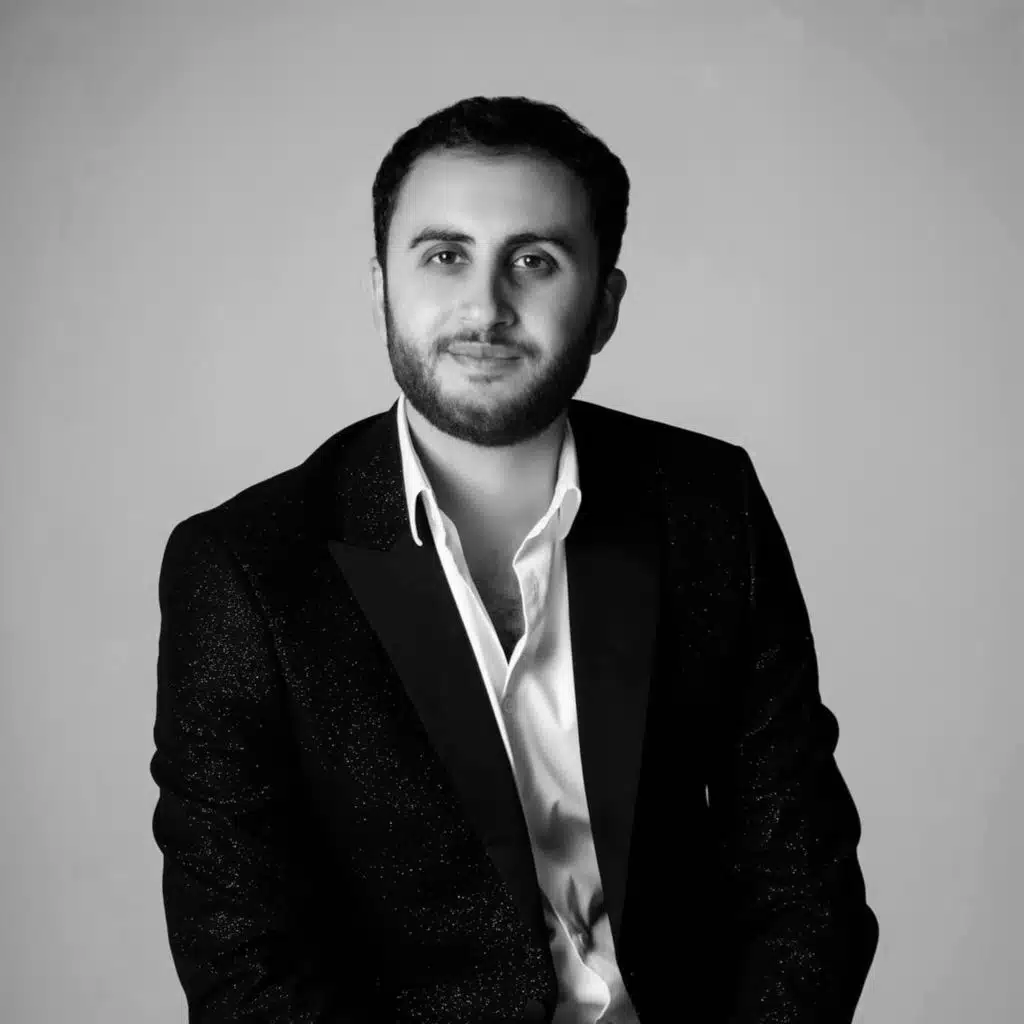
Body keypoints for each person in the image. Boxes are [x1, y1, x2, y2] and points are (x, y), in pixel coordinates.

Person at [150, 95, 879, 1024]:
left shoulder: (707, 504)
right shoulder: (245, 569)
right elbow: (242, 962)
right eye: (444, 255)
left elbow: (806, 883)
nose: (485, 309)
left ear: (605, 306)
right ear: (379, 289)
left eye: (534, 261)